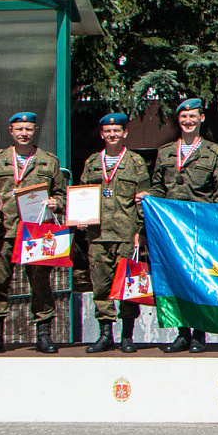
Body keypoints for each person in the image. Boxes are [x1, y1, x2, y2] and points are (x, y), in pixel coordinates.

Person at [0, 111, 65, 355]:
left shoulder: (49, 161)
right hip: (3, 231)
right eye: (19, 129)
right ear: (11, 131)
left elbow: (62, 193)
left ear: (35, 130)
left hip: (36, 232)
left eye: (28, 129)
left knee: (40, 284)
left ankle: (44, 336)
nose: (24, 133)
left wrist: (57, 202)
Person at [157, 98, 218, 353]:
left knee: (201, 279)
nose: (188, 121)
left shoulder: (215, 153)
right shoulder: (165, 152)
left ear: (201, 118)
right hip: (172, 230)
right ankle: (182, 332)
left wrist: (213, 222)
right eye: (183, 117)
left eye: (193, 116)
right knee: (177, 278)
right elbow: (159, 187)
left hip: (201, 229)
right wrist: (148, 199)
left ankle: (199, 334)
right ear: (178, 120)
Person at [77, 112, 151, 354]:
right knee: (101, 286)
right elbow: (82, 194)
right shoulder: (91, 163)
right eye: (108, 131)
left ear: (124, 133)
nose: (112, 134)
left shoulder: (136, 163)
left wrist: (140, 231)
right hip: (98, 235)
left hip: (126, 234)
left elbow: (144, 200)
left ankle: (127, 336)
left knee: (128, 287)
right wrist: (79, 217)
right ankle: (105, 334)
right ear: (102, 134)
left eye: (117, 131)